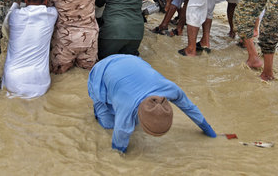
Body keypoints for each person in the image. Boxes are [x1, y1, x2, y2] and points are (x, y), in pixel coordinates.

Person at [88, 54, 216, 153]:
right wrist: (119, 160)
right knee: (109, 125)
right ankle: (98, 109)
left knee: (131, 122)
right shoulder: (127, 106)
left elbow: (190, 108)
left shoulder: (171, 90)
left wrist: (208, 130)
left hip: (132, 62)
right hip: (101, 71)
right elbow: (119, 140)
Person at [1, 0, 58, 98]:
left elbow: (14, 5)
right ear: (46, 1)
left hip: (12, 80)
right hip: (40, 83)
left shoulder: (14, 15)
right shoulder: (52, 14)